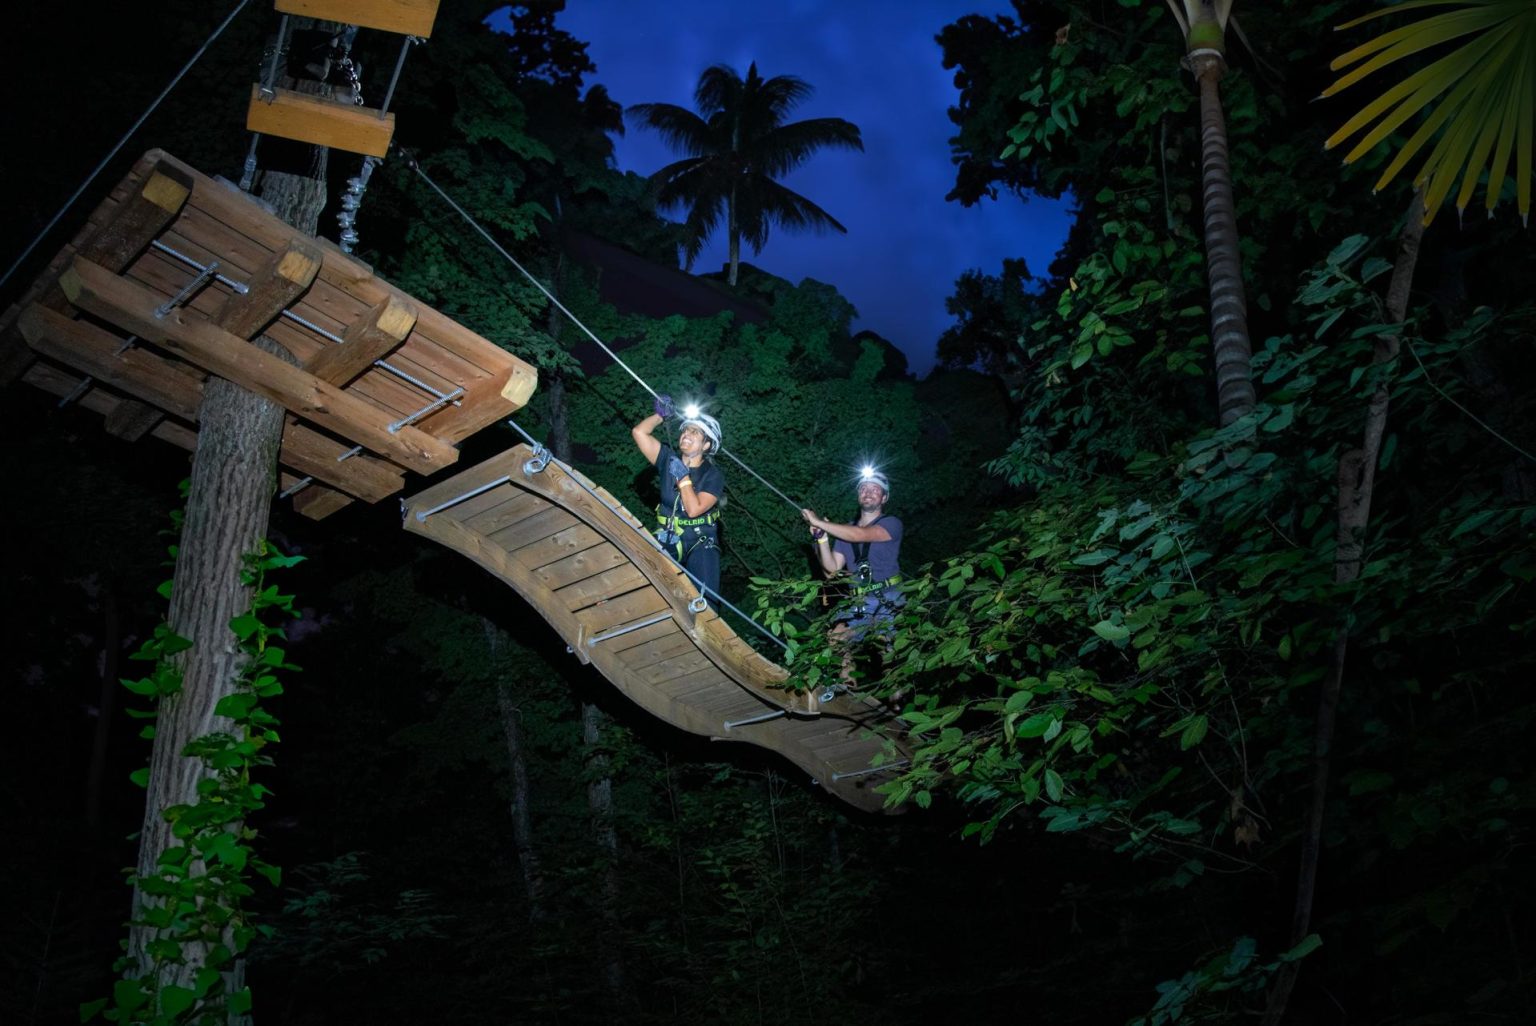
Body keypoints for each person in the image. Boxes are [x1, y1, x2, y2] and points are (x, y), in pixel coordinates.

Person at [801, 469, 903, 687]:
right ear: (859, 496)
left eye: (875, 489)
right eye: (864, 489)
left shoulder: (891, 523)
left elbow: (860, 535)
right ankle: (848, 690)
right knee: (836, 638)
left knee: (890, 653)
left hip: (888, 597)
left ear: (884, 498)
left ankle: (897, 705)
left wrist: (819, 522)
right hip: (859, 601)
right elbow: (831, 571)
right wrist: (822, 539)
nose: (868, 492)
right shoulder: (844, 532)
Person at [631, 396, 725, 598]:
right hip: (670, 534)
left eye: (695, 432)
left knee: (706, 598)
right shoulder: (667, 459)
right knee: (643, 576)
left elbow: (694, 510)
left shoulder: (713, 475)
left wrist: (683, 477)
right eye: (685, 430)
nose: (686, 434)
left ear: (707, 445)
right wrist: (660, 416)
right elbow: (639, 432)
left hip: (701, 538)